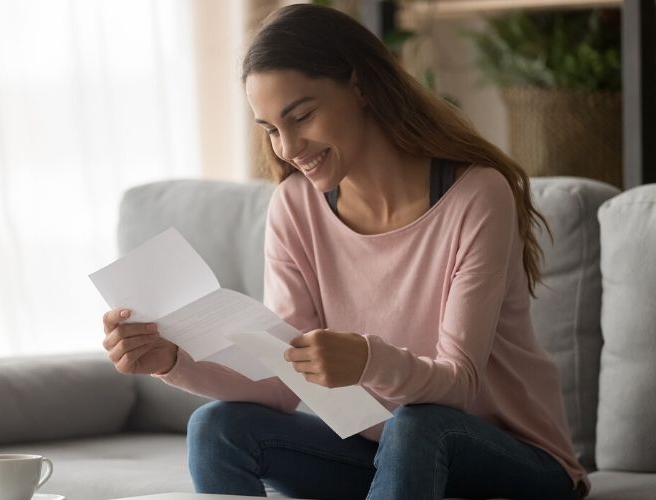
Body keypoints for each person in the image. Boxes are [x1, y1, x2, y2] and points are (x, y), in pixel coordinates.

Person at [101, 4, 589, 500]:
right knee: (217, 428)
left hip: (517, 461)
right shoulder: (294, 206)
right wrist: (172, 360)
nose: (288, 147)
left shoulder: (476, 195)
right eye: (271, 128)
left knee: (418, 426)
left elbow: (458, 385)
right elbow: (284, 386)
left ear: (360, 86)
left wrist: (368, 361)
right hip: (388, 456)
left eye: (302, 115)